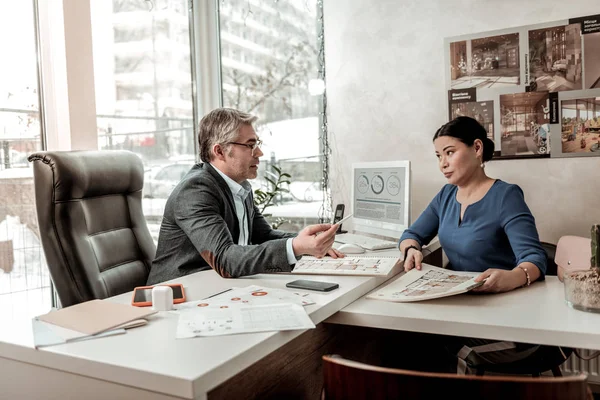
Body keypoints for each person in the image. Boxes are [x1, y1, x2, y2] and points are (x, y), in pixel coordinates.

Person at [397, 116, 549, 373]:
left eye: (449, 152)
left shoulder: (506, 196)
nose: (442, 164)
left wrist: (511, 277)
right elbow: (412, 234)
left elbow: (535, 258)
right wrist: (411, 248)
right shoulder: (446, 195)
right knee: (406, 340)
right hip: (464, 309)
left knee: (445, 351)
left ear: (477, 148)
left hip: (507, 314)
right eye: (437, 156)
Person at [147, 108, 343, 285]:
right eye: (250, 145)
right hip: (177, 295)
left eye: (257, 143)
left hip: (217, 285)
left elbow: (262, 236)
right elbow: (225, 259)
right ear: (220, 151)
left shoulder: (239, 186)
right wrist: (296, 247)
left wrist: (309, 242)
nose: (259, 152)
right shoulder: (195, 190)